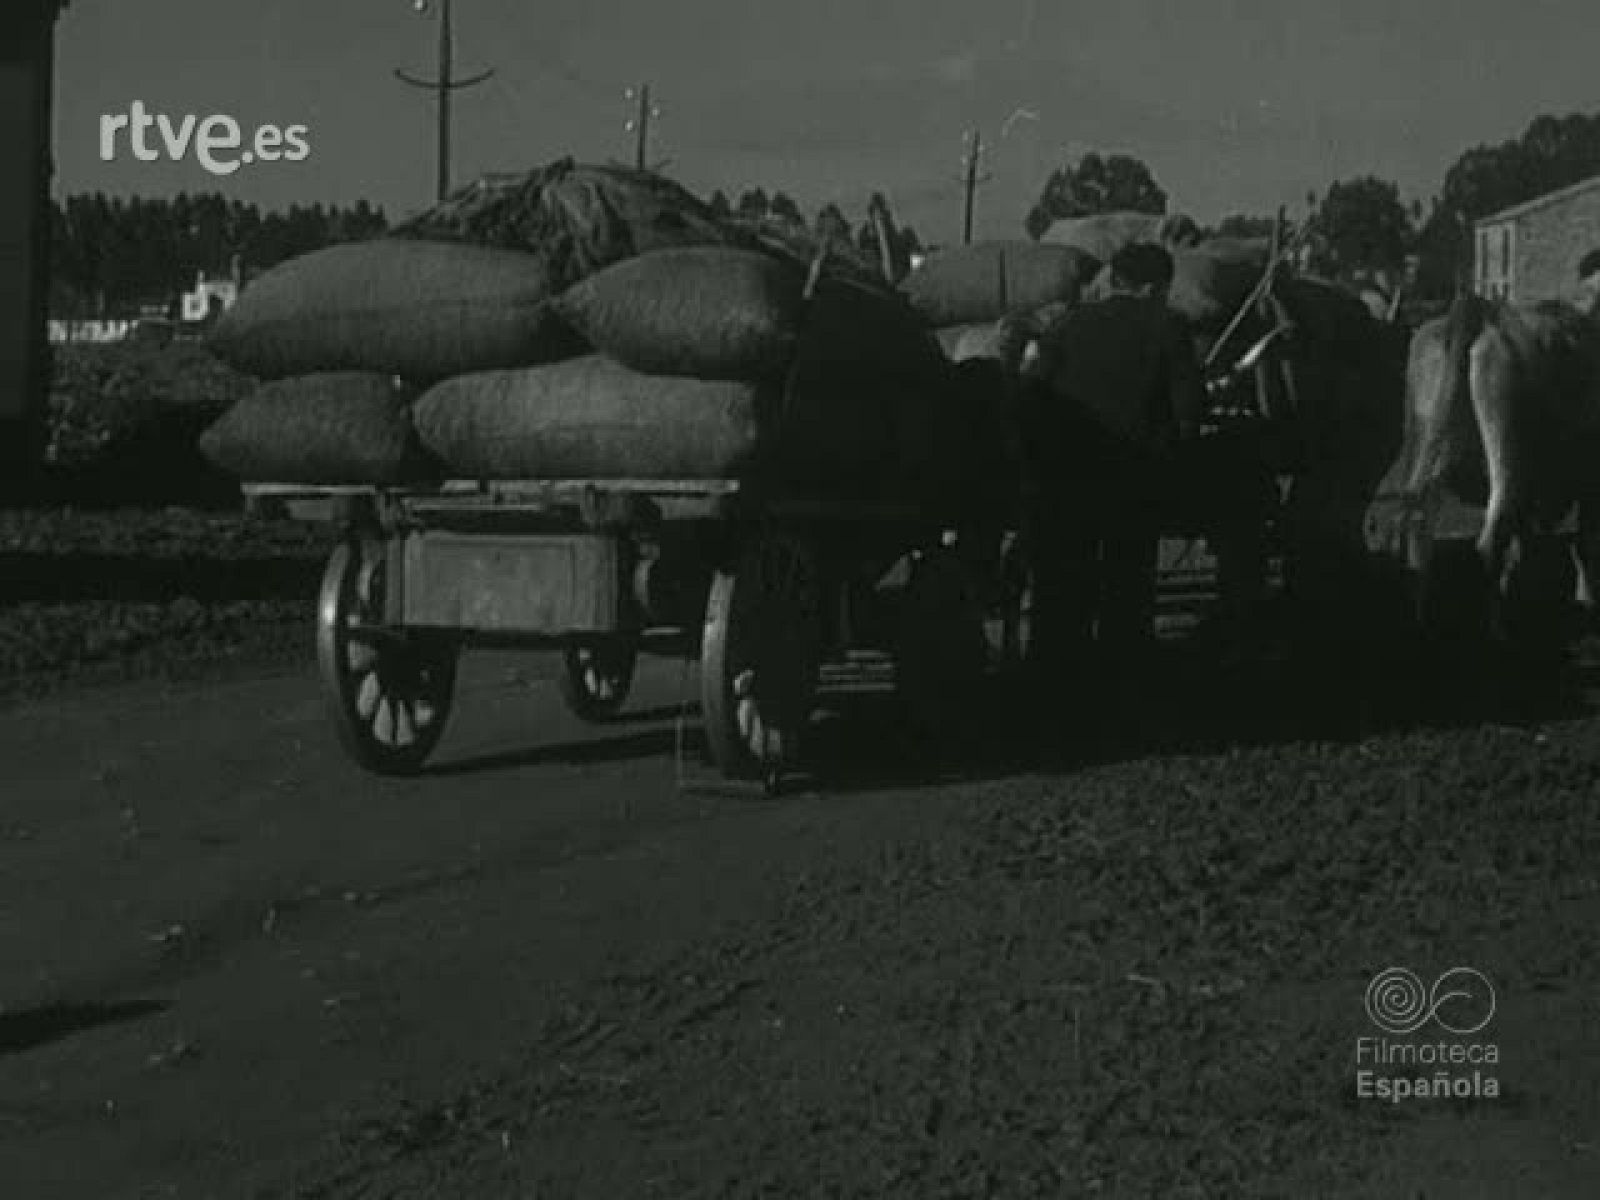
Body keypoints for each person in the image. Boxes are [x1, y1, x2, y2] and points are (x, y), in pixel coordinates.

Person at [1019, 241, 1207, 693]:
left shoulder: (1067, 324)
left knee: (1062, 583)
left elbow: (1033, 396)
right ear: (1153, 287)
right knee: (1127, 581)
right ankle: (1121, 677)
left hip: (1063, 475)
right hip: (1132, 477)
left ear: (1115, 282)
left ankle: (1053, 677)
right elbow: (1189, 411)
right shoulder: (1169, 326)